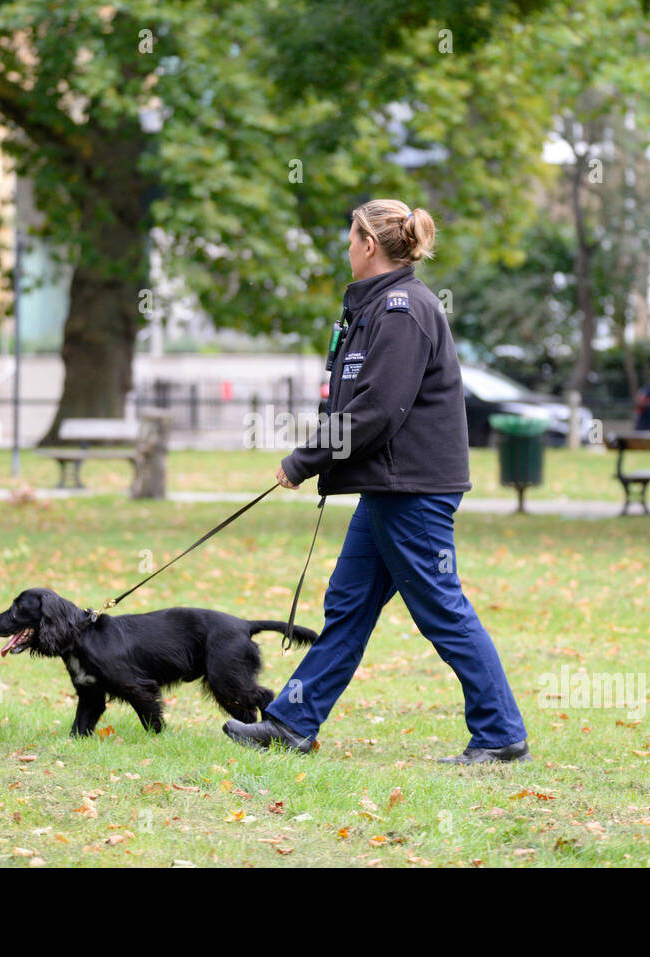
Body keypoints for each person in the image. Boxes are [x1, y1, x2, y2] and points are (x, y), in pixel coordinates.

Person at [222, 199, 531, 764]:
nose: (346, 247)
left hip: (411, 488)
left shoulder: (402, 311)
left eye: (350, 237)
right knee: (348, 605)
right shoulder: (374, 308)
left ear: (369, 244)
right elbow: (359, 401)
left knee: (440, 607)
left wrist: (304, 459)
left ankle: (500, 734)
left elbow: (378, 411)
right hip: (391, 485)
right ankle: (292, 722)